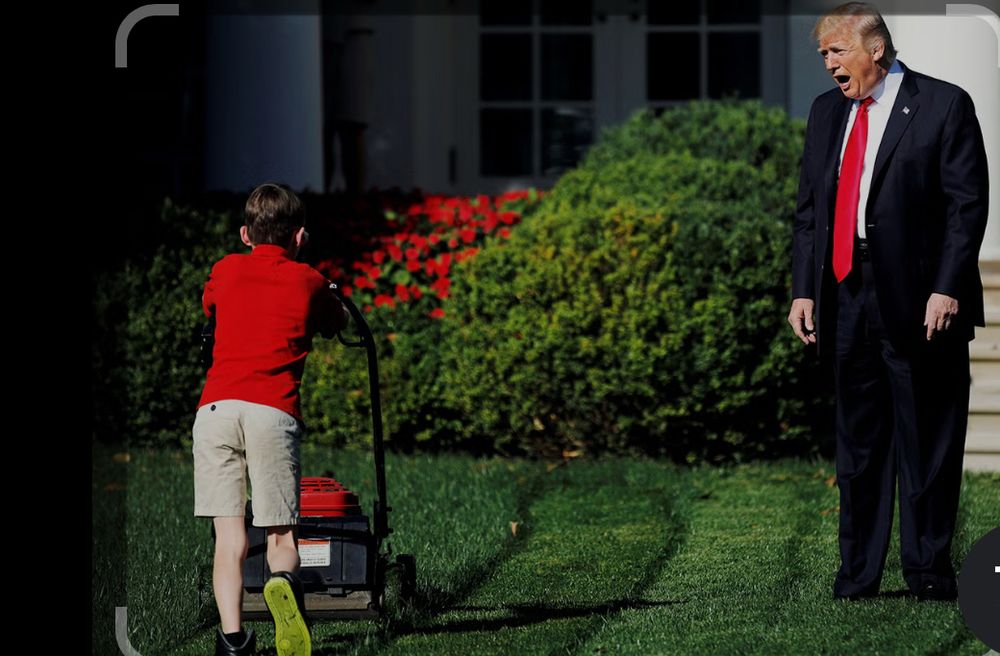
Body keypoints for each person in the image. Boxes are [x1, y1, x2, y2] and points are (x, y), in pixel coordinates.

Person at [788, 2, 989, 601]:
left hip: (923, 296)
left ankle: (929, 570)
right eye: (823, 54)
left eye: (836, 51)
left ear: (875, 49)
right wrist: (804, 289)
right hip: (846, 294)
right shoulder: (827, 113)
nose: (828, 64)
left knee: (927, 440)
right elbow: (808, 214)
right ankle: (857, 576)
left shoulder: (942, 103)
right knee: (859, 443)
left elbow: (966, 205)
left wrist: (948, 285)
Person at [193, 183, 349, 655]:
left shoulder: (226, 269)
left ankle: (232, 640)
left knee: (229, 534)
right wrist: (331, 296)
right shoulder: (309, 280)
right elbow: (336, 322)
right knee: (281, 531)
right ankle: (282, 580)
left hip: (215, 410)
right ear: (299, 237)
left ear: (245, 233)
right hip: (270, 410)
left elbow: (210, 305)